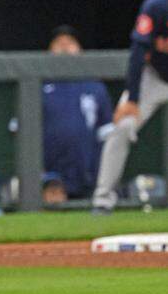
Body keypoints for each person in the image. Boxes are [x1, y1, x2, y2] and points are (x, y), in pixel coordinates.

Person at [91, 0, 168, 213]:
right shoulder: (157, 6)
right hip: (153, 77)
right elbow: (138, 51)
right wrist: (132, 99)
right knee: (123, 127)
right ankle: (103, 201)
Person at [38, 26, 112, 201]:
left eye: (70, 43)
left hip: (88, 173)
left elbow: (107, 133)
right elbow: (23, 133)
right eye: (58, 43)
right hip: (50, 176)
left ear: (80, 49)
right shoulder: (38, 85)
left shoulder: (94, 86)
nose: (64, 47)